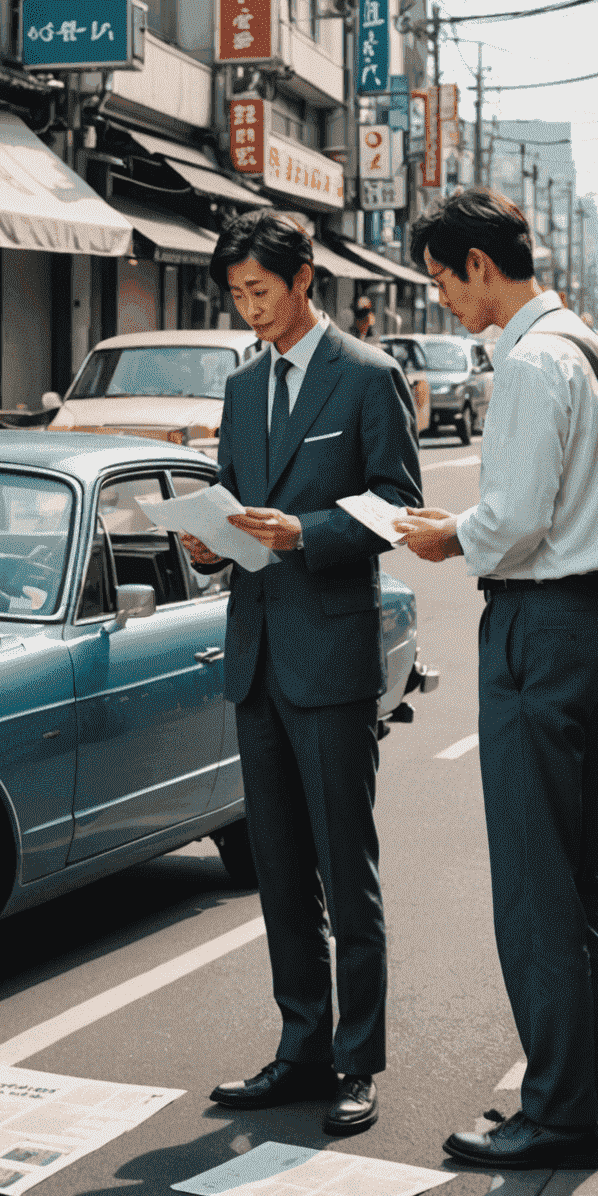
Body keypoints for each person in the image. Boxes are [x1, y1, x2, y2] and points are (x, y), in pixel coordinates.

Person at [396, 188, 598, 1174]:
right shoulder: (587, 345)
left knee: (536, 886)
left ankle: (553, 1112)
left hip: (538, 626)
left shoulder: (534, 365)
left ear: (480, 265)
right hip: (588, 626)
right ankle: (587, 1100)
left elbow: (518, 515)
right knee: (577, 880)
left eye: (444, 278)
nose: (445, 299)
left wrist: (445, 532)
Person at [178, 211, 422, 1138]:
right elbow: (232, 499)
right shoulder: (241, 386)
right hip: (256, 654)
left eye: (262, 293)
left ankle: (359, 1060)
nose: (251, 311)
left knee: (343, 869)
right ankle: (301, 1047)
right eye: (237, 296)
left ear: (304, 278)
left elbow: (400, 504)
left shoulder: (367, 375)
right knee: (278, 872)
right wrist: (209, 544)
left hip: (330, 652)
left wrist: (311, 532)